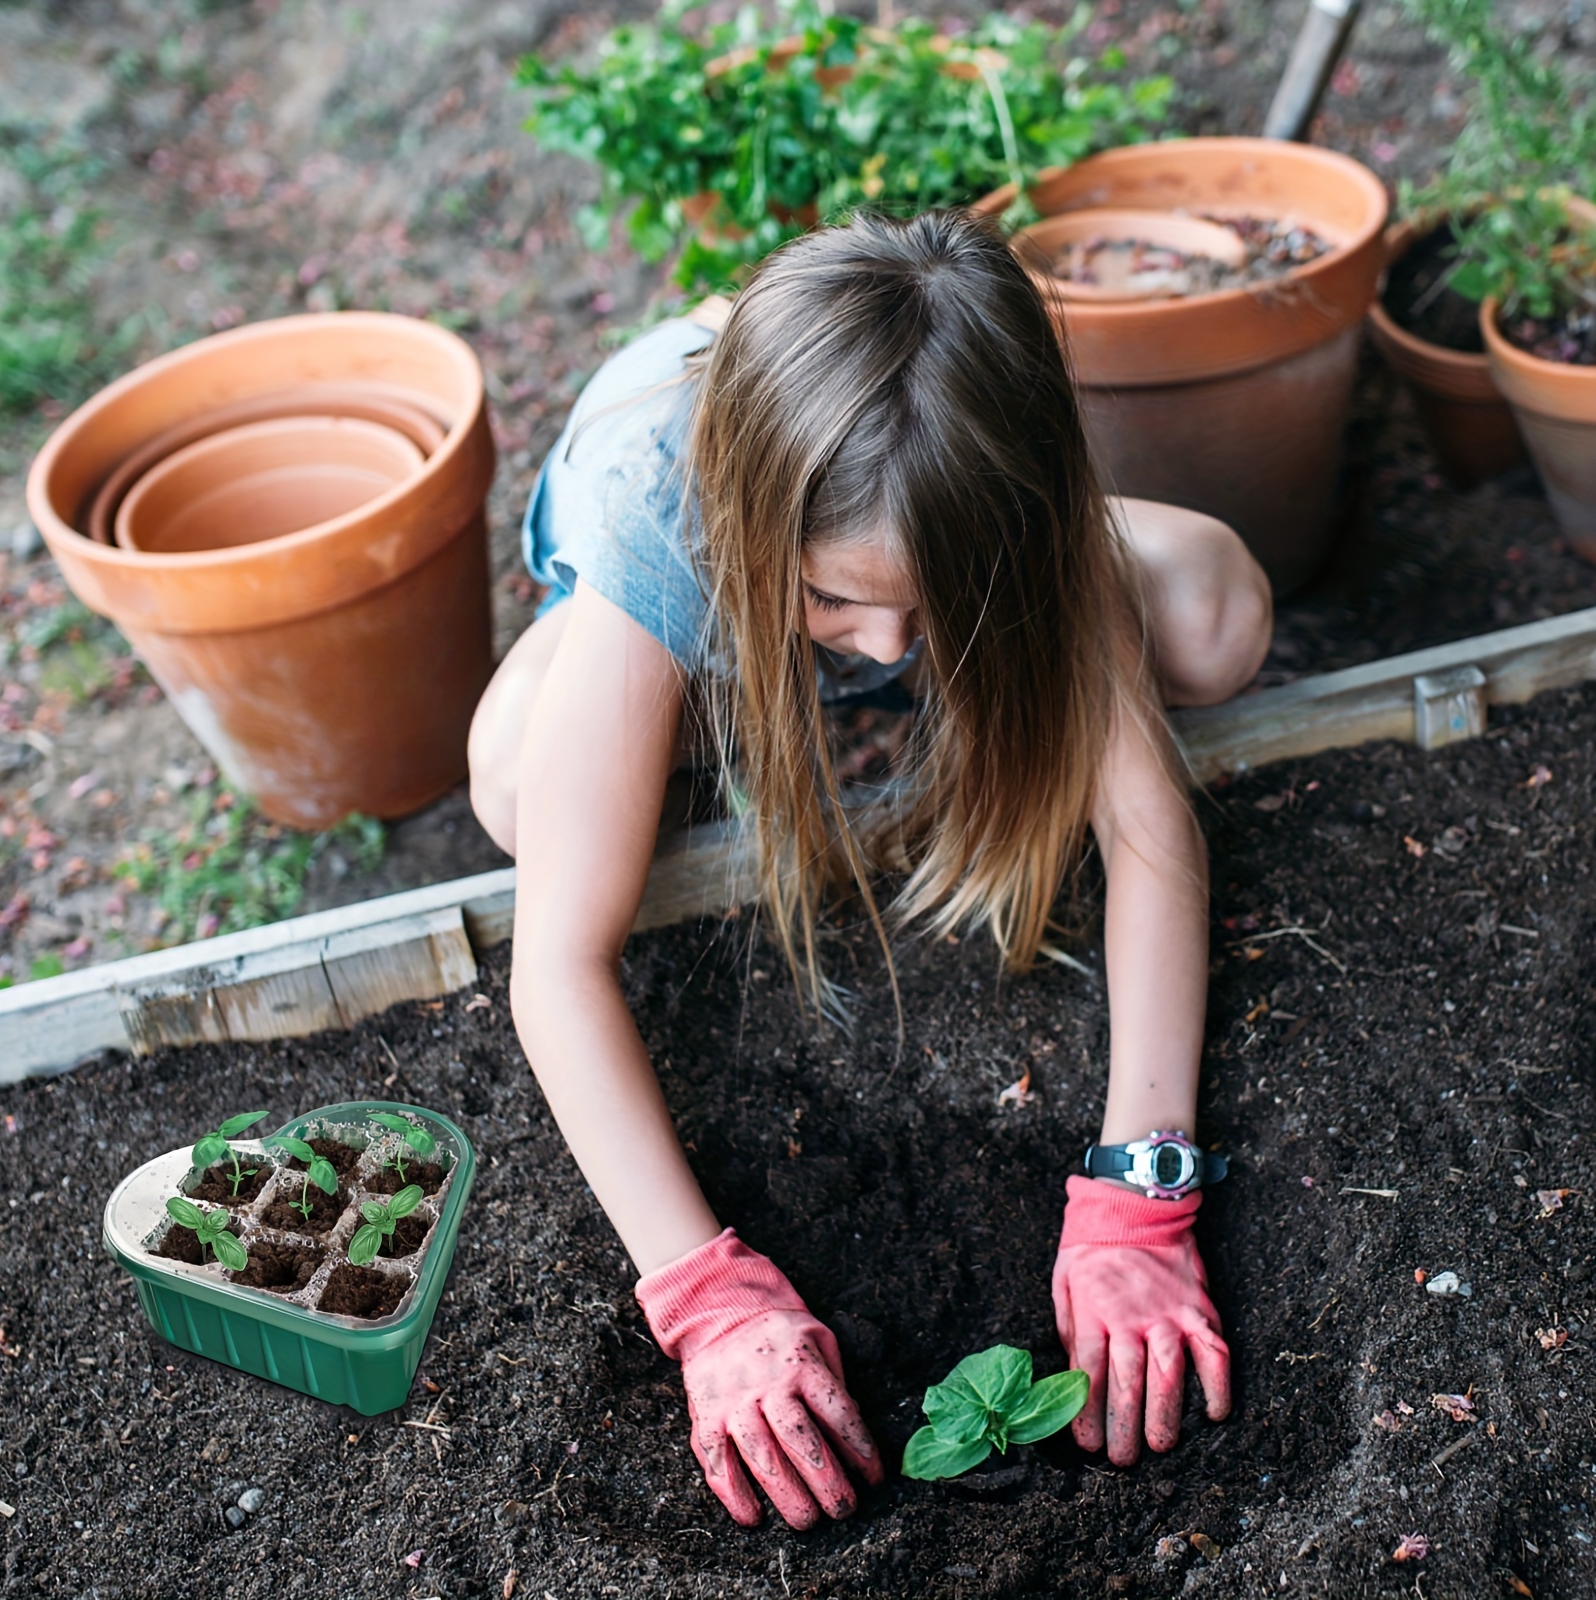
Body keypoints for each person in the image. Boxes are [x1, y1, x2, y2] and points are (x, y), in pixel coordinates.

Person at [467, 209, 1272, 1530]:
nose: (887, 642)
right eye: (837, 602)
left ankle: (895, 576)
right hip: (662, 524)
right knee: (517, 788)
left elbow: (1146, 832)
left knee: (1212, 616)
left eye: (926, 604)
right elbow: (559, 961)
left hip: (926, 489)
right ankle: (704, 659)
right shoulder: (669, 511)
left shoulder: (1007, 509)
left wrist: (1143, 1185)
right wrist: (703, 1294)